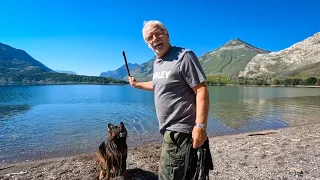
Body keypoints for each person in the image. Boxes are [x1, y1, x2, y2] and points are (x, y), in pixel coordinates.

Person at [128, 20, 210, 180]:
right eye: (149, 38)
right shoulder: (158, 62)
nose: (154, 39)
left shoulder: (184, 56)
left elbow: (201, 90)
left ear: (166, 33)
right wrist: (137, 84)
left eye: (157, 33)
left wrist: (201, 127)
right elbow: (157, 84)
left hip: (180, 131)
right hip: (168, 130)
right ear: (147, 44)